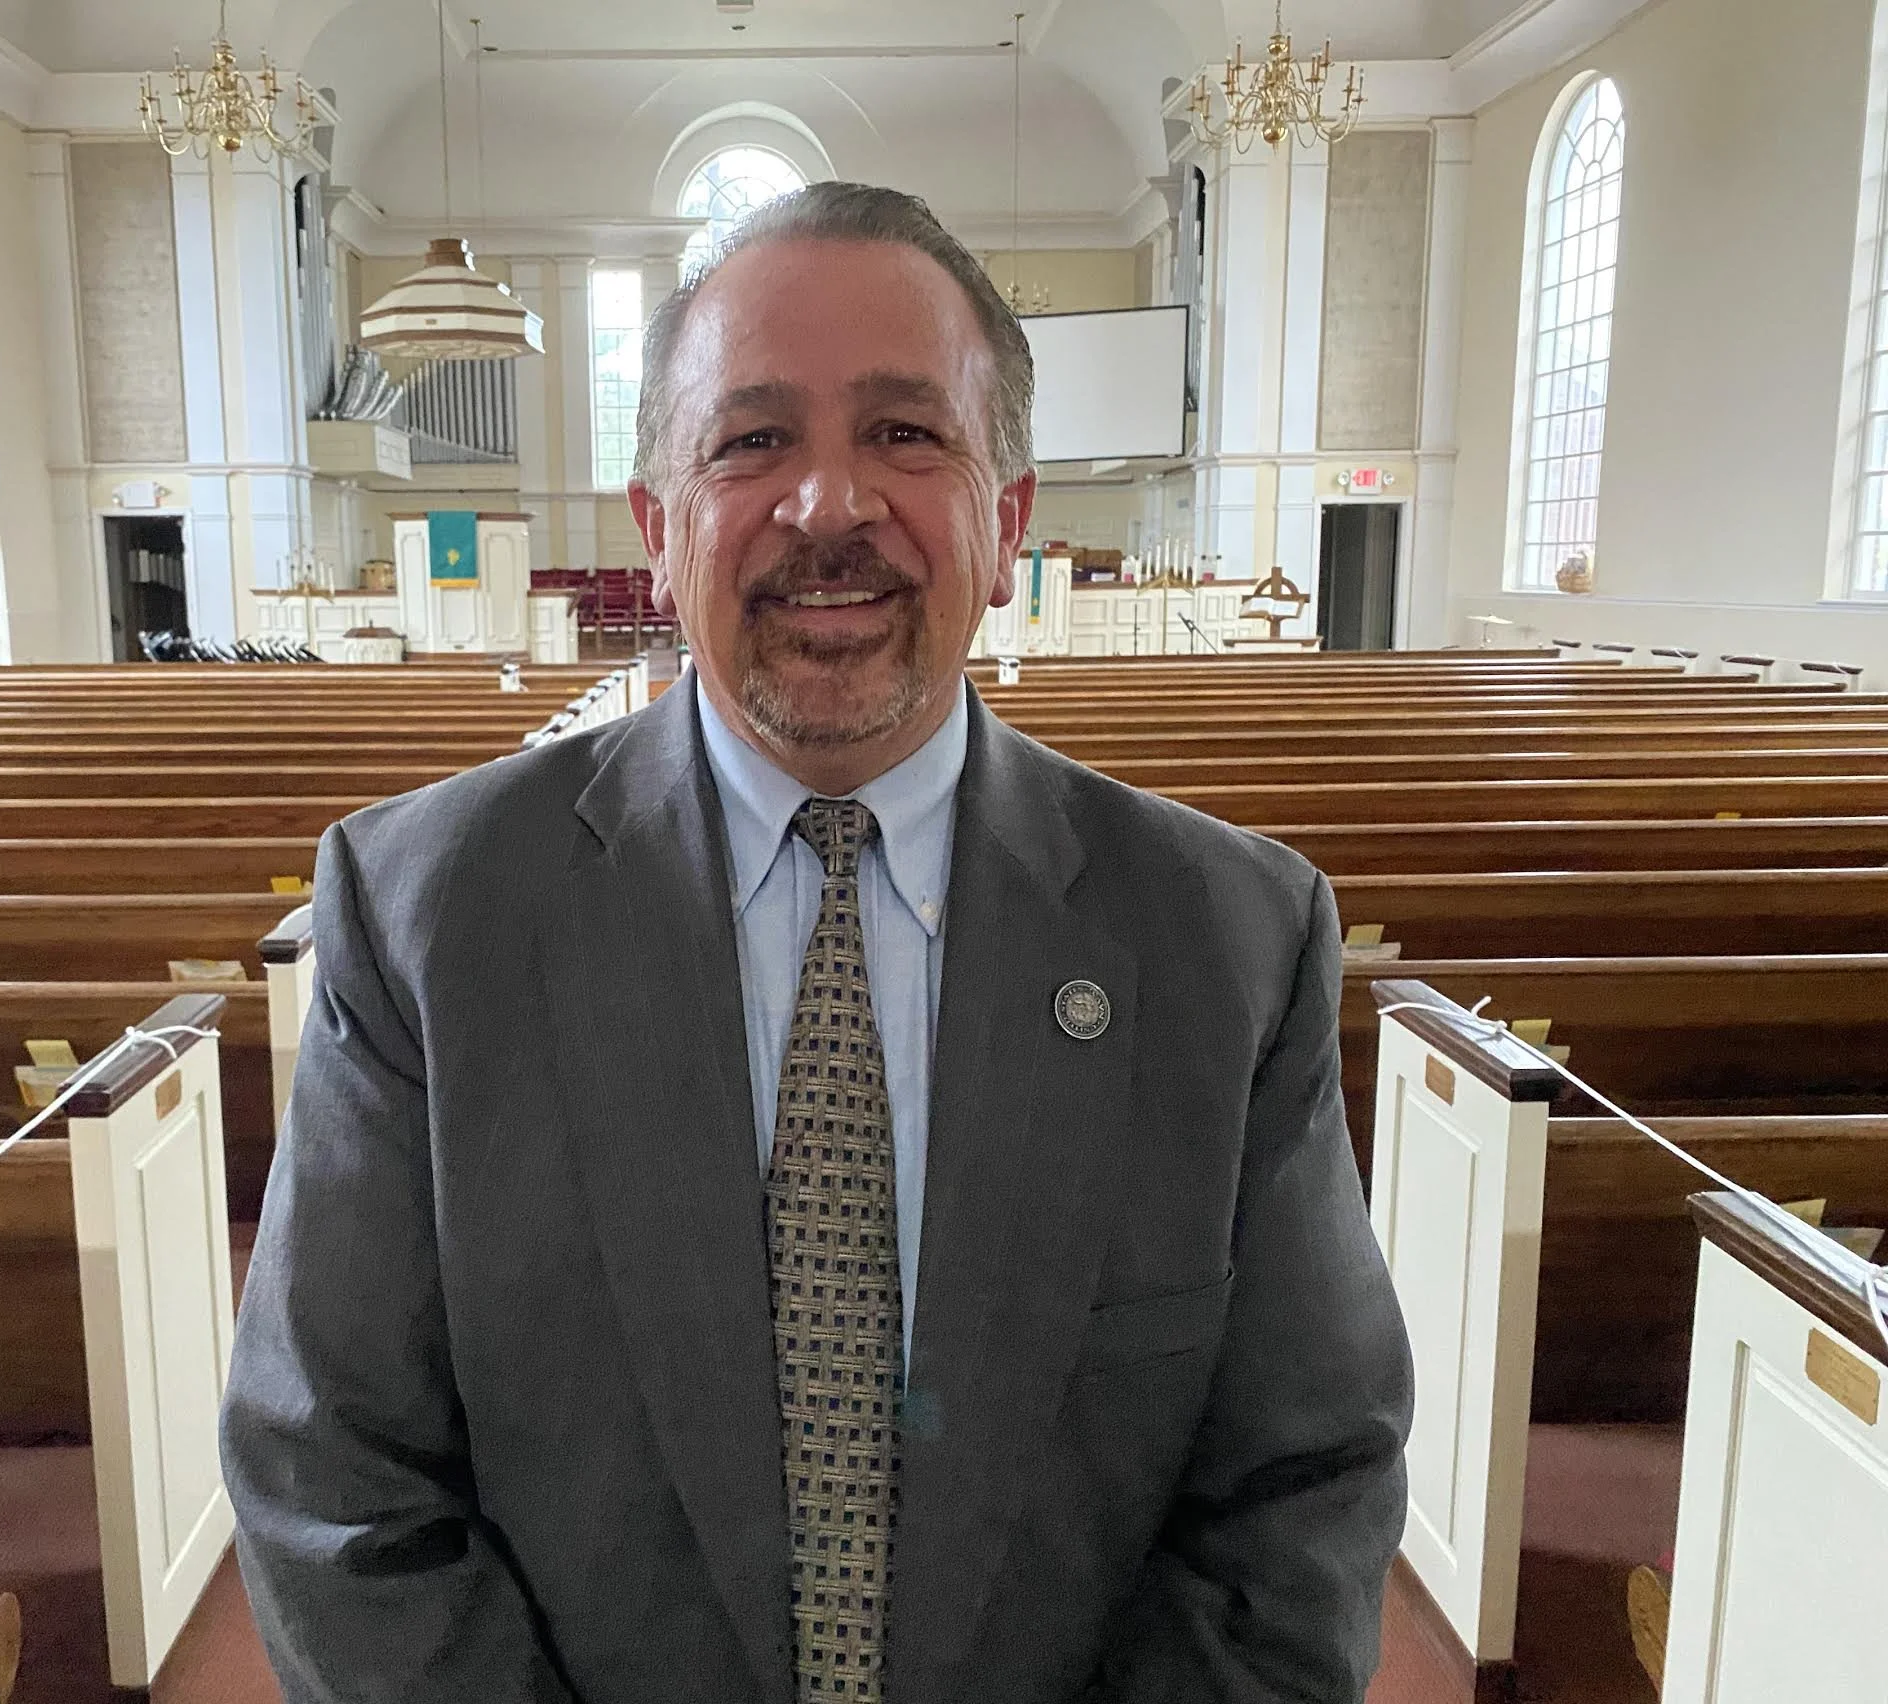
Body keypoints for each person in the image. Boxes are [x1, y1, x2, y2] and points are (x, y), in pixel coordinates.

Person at [221, 181, 1413, 1704]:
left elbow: (1296, 1499)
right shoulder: (425, 913)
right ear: (659, 530)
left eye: (907, 434)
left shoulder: (1228, 939)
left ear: (1010, 515)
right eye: (752, 439)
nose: (830, 505)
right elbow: (334, 1477)